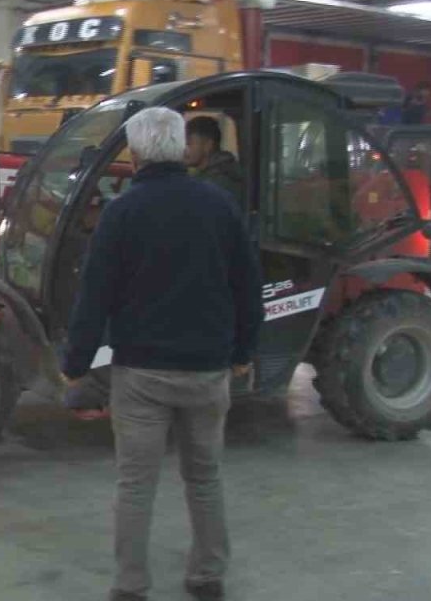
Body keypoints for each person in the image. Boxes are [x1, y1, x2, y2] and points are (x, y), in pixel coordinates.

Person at [61, 107, 264, 601]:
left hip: (141, 374)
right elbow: (247, 287)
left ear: (134, 155)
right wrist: (243, 352)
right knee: (205, 478)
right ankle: (208, 576)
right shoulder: (219, 206)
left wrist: (75, 364)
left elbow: (94, 296)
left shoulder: (121, 212)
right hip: (207, 371)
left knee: (135, 484)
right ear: (179, 148)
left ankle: (130, 585)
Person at [184, 116, 243, 202]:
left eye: (189, 143)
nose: (184, 149)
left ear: (208, 145)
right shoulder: (206, 176)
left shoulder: (220, 182)